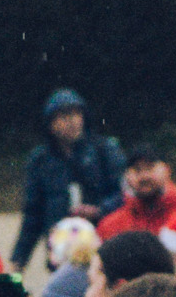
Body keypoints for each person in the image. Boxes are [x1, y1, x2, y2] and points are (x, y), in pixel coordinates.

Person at [11, 89, 125, 272]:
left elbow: (124, 194)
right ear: (50, 124)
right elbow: (33, 214)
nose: (71, 121)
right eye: (63, 116)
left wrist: (100, 210)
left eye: (75, 113)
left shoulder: (104, 150)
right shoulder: (40, 160)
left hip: (103, 246)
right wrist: (19, 261)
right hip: (60, 251)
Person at [95, 144, 176, 238]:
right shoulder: (110, 227)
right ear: (127, 176)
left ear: (167, 170)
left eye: (150, 167)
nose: (144, 176)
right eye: (137, 170)